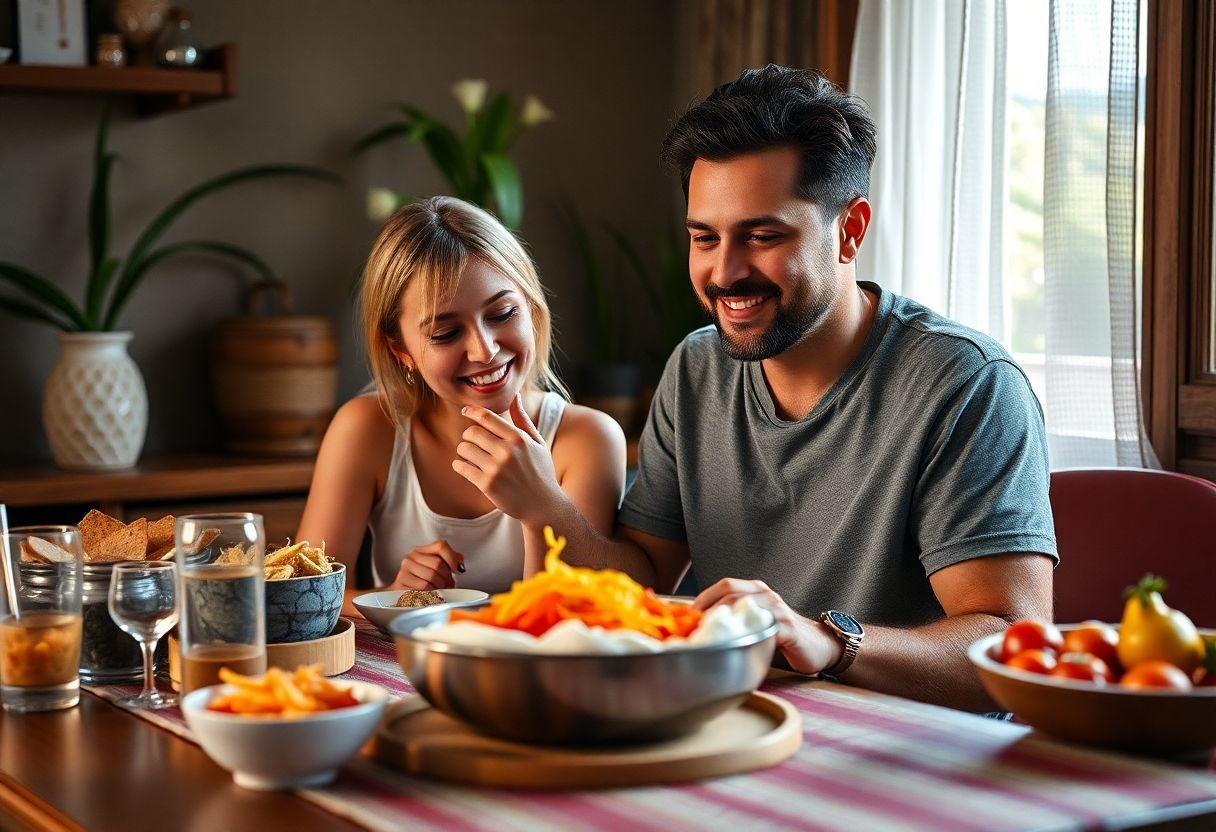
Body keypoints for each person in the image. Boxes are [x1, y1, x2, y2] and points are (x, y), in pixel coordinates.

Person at [544, 65, 1057, 711]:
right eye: (704, 237)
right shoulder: (697, 367)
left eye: (763, 237)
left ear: (850, 231)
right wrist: (544, 504)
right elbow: (644, 579)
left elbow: (1011, 642)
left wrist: (828, 641)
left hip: (915, 754)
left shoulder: (967, 385)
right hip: (737, 724)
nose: (724, 272)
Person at [297, 196, 625, 612]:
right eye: (446, 334)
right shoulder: (367, 428)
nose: (485, 350)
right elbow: (305, 597)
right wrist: (395, 597)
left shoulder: (587, 439)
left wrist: (541, 507)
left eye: (503, 313)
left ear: (531, 306)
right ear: (401, 350)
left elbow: (559, 617)